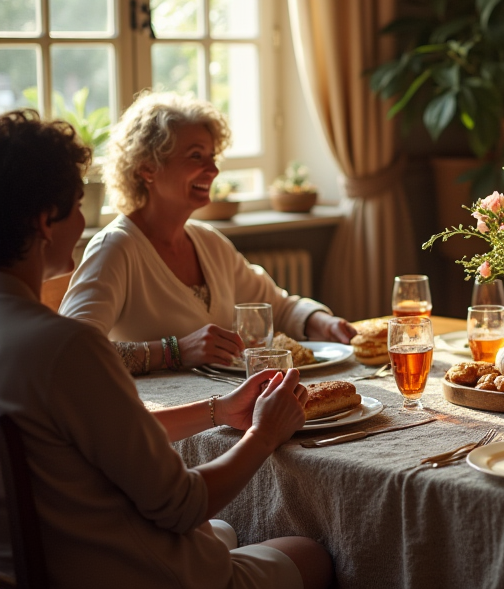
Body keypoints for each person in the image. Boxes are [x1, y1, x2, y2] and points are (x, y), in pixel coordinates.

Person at [0, 109, 332, 588]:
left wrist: (218, 409)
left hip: (43, 561)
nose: (82, 219)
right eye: (75, 204)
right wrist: (264, 434)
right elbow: (181, 506)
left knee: (222, 529)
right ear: (43, 222)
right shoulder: (68, 346)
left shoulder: (31, 340)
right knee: (310, 551)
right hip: (115, 570)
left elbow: (105, 430)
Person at [59, 92, 356, 374]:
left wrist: (321, 321)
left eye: (212, 156)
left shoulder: (209, 242)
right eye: (195, 156)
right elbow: (72, 352)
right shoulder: (115, 248)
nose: (212, 170)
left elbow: (278, 308)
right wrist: (174, 351)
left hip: (226, 410)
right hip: (158, 421)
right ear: (147, 169)